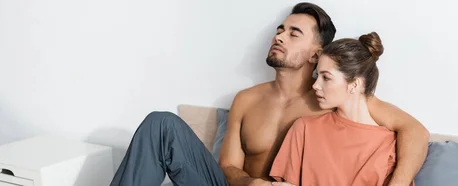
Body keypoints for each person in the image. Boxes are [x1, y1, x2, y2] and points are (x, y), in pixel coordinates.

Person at [110, 2, 429, 186]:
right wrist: (250, 183)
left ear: (316, 53)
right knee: (160, 124)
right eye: (280, 29)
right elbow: (227, 168)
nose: (280, 36)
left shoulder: (332, 99)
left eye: (294, 33)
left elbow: (414, 130)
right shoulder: (247, 99)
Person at [269, 32, 414, 186]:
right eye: (317, 75)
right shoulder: (304, 129)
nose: (315, 85)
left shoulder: (389, 146)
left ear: (354, 85)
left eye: (326, 77)